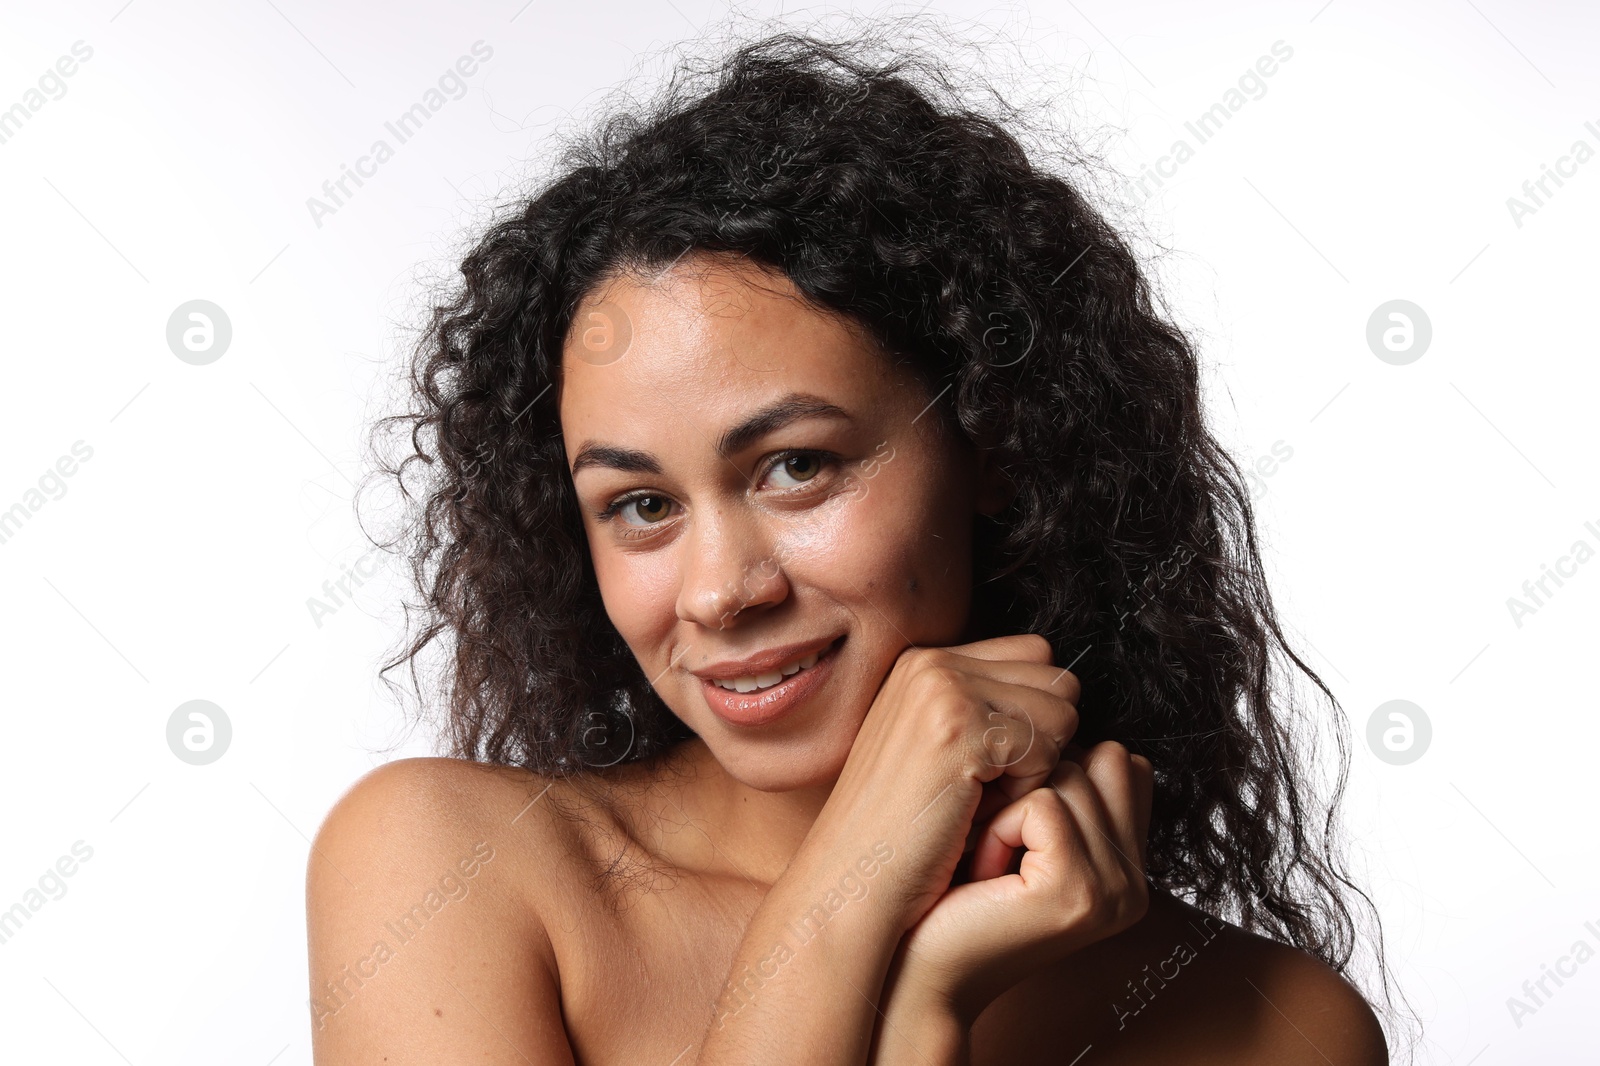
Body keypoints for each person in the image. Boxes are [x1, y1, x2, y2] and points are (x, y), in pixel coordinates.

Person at [306, 24, 1399, 1065]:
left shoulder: (1267, 1026)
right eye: (641, 505)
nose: (721, 593)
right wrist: (888, 948)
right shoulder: (450, 869)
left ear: (991, 445)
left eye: (796, 466)